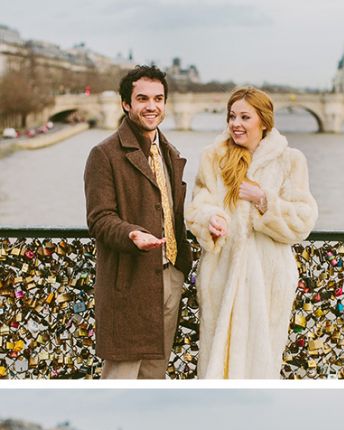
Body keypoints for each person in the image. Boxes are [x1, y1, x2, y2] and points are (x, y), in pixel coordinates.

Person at [186, 88, 318, 379]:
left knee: (261, 367)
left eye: (245, 117)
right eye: (232, 116)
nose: (236, 123)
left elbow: (304, 220)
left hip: (266, 280)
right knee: (216, 367)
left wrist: (264, 201)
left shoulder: (290, 161)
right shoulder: (213, 158)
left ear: (264, 122)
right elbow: (197, 207)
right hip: (222, 275)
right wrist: (211, 221)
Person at [84, 65, 192, 379]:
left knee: (154, 376)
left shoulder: (170, 153)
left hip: (170, 276)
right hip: (130, 280)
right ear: (126, 104)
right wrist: (132, 233)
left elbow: (175, 212)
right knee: (121, 375)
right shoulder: (104, 154)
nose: (151, 106)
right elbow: (100, 218)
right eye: (142, 98)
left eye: (158, 98)